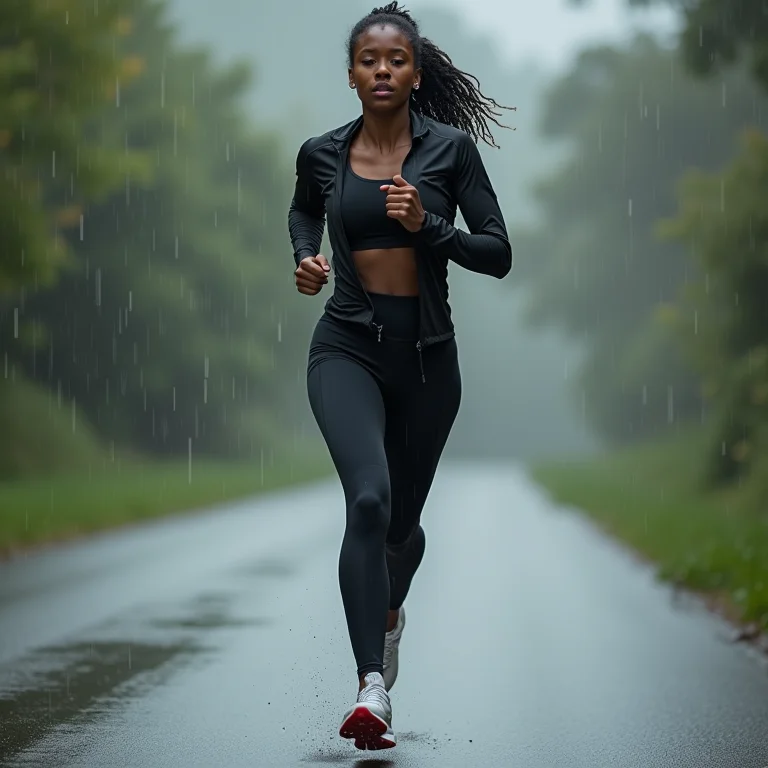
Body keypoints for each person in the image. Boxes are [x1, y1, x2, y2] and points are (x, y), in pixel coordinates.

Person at [287, 1, 514, 751]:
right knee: (368, 501)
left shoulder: (450, 152)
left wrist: (432, 228)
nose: (382, 70)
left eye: (396, 60)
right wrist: (305, 257)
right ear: (351, 74)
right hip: (345, 348)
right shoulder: (321, 153)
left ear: (416, 73)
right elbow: (301, 213)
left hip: (426, 362)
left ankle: (388, 616)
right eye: (368, 60)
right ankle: (370, 688)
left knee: (403, 531)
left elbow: (497, 251)